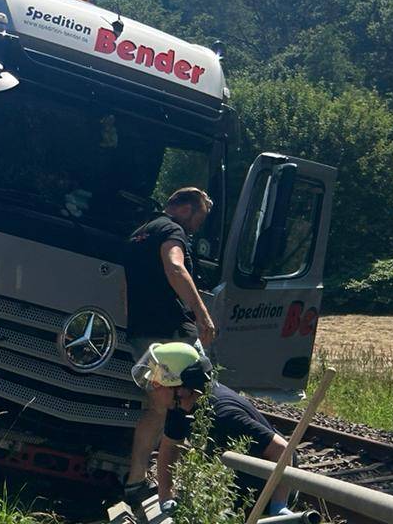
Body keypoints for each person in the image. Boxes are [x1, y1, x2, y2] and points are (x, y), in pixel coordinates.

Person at [123, 187, 218, 511]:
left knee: (156, 408)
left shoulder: (139, 233)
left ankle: (137, 481)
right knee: (185, 405)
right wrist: (202, 315)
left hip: (142, 333)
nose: (197, 227)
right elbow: (175, 267)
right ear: (187, 209)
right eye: (199, 217)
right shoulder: (171, 230)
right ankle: (174, 489)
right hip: (170, 334)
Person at [134, 342, 297, 516]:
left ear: (181, 388)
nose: (151, 389)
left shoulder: (222, 415)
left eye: (157, 383)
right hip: (235, 481)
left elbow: (282, 450)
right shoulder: (180, 406)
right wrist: (166, 497)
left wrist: (277, 505)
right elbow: (170, 447)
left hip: (268, 486)